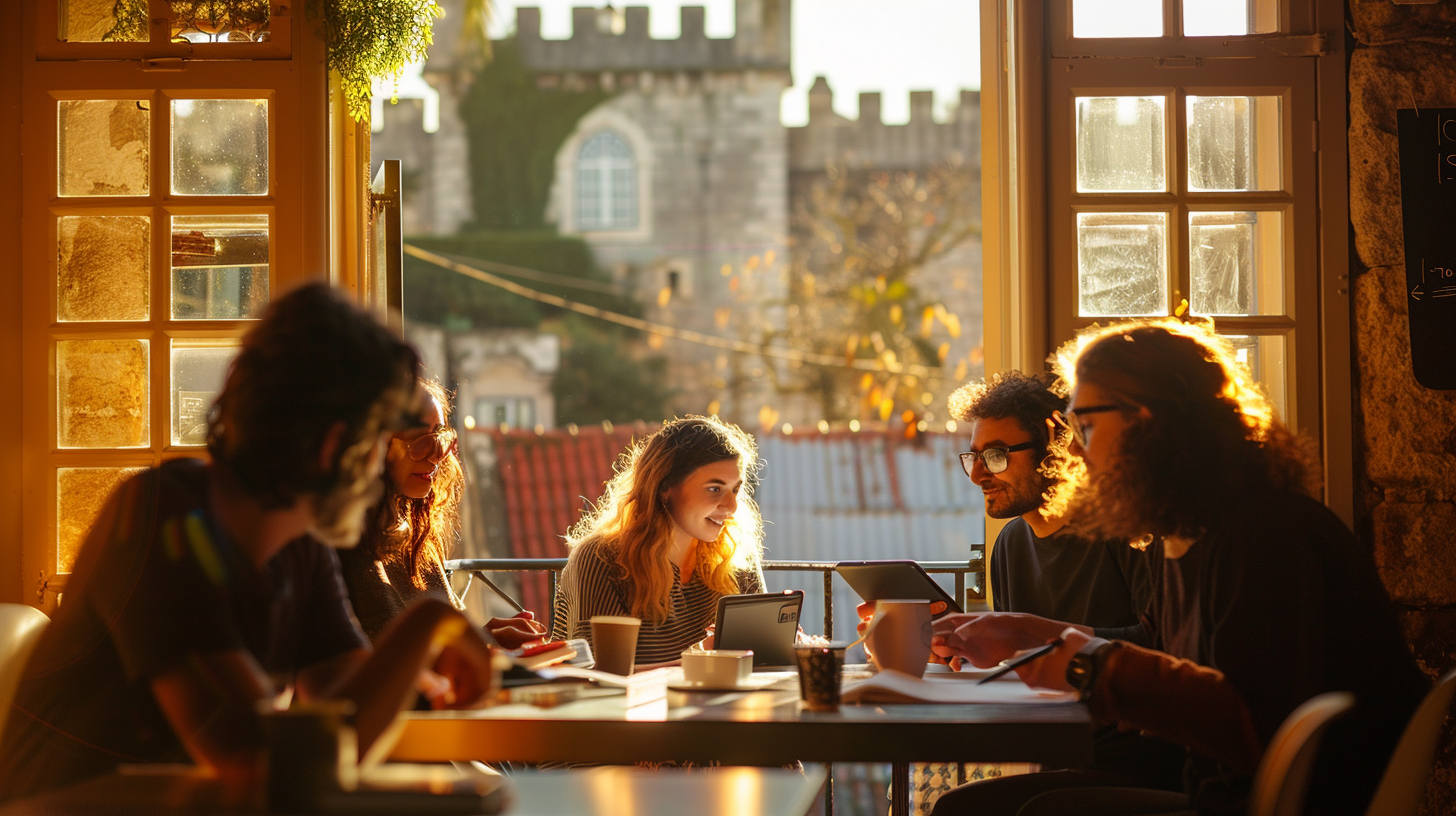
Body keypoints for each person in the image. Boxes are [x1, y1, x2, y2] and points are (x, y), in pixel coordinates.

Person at [0, 284, 501, 805]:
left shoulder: (302, 546)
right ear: (334, 447)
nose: (379, 465)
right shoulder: (160, 521)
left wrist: (432, 626)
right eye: (377, 442)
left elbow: (342, 727)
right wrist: (426, 622)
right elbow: (258, 762)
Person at [930, 319, 1428, 816]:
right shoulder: (1193, 530)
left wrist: (1084, 665)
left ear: (1147, 422)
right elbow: (1159, 646)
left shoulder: (1264, 535)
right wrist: (1027, 631)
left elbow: (1256, 725)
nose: (1075, 451)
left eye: (1085, 426)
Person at [922, 370, 1184, 809]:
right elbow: (1025, 670)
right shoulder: (1010, 544)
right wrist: (959, 646)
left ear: (1055, 451)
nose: (978, 475)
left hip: (1142, 758)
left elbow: (1164, 646)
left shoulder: (1126, 531)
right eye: (974, 457)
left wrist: (1034, 634)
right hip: (1058, 752)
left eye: (999, 455)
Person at [338, 379, 546, 650]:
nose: (437, 455)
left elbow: (436, 646)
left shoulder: (413, 531)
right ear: (375, 446)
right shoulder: (346, 541)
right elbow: (391, 657)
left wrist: (486, 637)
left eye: (440, 436)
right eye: (420, 441)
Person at [549, 416, 766, 667]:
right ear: (664, 487)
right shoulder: (602, 559)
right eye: (715, 489)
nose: (731, 506)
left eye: (735, 490)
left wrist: (781, 648)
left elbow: (758, 666)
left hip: (717, 706)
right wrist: (699, 658)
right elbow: (598, 674)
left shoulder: (736, 557)